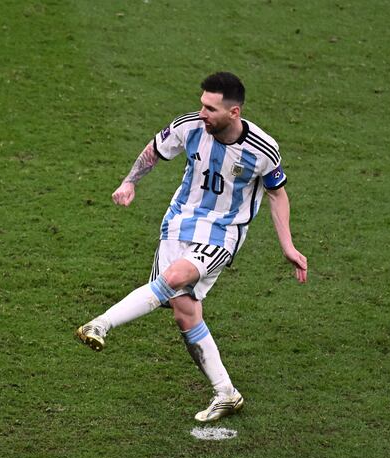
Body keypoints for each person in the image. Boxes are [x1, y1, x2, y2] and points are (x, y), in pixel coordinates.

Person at [76, 72, 308, 422]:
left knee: (173, 277)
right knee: (184, 312)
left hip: (222, 231)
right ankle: (226, 393)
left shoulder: (263, 149)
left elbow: (277, 194)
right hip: (178, 223)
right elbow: (153, 151)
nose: (202, 112)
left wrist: (287, 245)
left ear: (234, 112)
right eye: (201, 104)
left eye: (210, 108)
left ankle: (100, 324)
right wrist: (129, 183)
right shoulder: (189, 126)